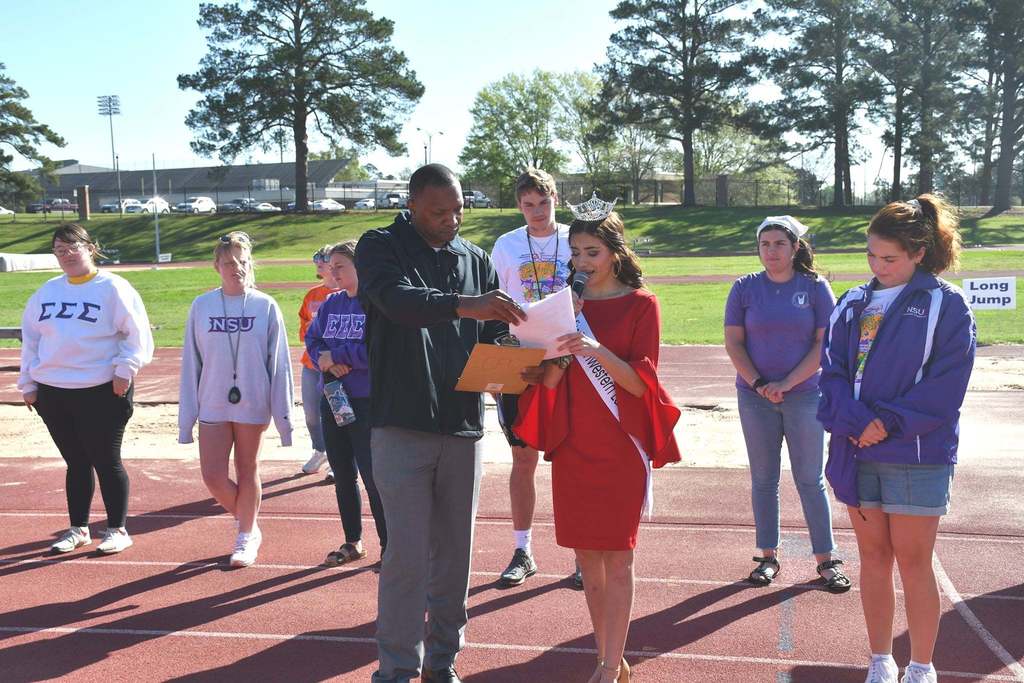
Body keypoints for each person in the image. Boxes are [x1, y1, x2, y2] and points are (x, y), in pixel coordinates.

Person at [356, 164, 532, 683]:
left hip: (462, 427)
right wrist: (465, 305)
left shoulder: (475, 259)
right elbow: (397, 303)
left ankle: (443, 663)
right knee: (407, 556)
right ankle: (394, 668)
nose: (452, 220)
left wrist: (526, 363)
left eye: (459, 210)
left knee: (456, 556)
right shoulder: (379, 246)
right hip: (400, 425)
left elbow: (495, 338)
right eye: (439, 212)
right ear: (411, 204)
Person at [515, 201, 682, 683]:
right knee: (587, 557)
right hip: (573, 443)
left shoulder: (641, 304)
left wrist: (594, 346)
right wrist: (529, 366)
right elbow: (549, 380)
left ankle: (610, 666)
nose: (582, 262)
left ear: (614, 252)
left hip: (619, 444)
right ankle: (607, 657)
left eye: (592, 252)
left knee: (618, 554)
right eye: (576, 253)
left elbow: (639, 385)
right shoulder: (564, 303)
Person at [818, 195, 975, 683]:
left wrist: (885, 422)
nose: (878, 266)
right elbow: (832, 374)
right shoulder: (852, 303)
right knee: (872, 558)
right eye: (871, 256)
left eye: (890, 258)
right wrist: (855, 422)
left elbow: (946, 386)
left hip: (916, 454)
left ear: (919, 253)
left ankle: (921, 666)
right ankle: (881, 660)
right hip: (856, 449)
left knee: (912, 561)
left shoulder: (946, 305)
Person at [723, 216, 850, 592]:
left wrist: (787, 383)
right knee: (764, 479)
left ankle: (827, 559)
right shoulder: (744, 288)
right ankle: (766, 556)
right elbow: (735, 343)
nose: (772, 251)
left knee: (810, 479)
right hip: (755, 396)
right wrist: (761, 384)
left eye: (780, 244)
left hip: (805, 394)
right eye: (765, 245)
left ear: (795, 248)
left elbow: (822, 345)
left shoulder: (814, 288)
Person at [19, 223, 154, 555]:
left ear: (90, 248)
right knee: (76, 462)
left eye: (72, 248)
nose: (66, 255)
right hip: (53, 391)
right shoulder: (46, 291)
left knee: (106, 461)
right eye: (59, 250)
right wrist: (28, 383)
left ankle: (117, 529)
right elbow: (31, 341)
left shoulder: (113, 288)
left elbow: (136, 336)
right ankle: (78, 528)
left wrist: (125, 371)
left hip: (101, 389)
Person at [178, 231, 294, 568]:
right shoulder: (202, 306)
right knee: (213, 476)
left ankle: (244, 536)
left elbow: (279, 363)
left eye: (242, 262)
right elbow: (191, 363)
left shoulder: (264, 305)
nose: (236, 268)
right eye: (229, 262)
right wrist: (187, 419)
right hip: (213, 401)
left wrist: (284, 419)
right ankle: (250, 523)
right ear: (216, 265)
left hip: (253, 403)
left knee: (248, 469)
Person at [489, 167, 576, 588]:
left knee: (574, 455)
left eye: (544, 203)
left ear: (555, 199)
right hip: (520, 358)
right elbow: (494, 303)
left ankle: (583, 552)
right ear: (519, 205)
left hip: (569, 358)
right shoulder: (505, 245)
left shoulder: (575, 239)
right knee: (523, 458)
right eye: (528, 205)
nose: (537, 213)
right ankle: (523, 550)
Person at [305, 240, 386, 567]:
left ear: (359, 266)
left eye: (340, 265)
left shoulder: (375, 304)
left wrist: (337, 356)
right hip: (334, 397)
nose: (333, 272)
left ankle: (389, 545)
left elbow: (377, 351)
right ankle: (353, 541)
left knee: (373, 476)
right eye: (330, 266)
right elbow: (313, 340)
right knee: (342, 473)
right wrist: (325, 361)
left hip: (367, 402)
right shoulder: (330, 303)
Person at [297, 245, 339, 479]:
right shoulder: (313, 295)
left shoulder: (346, 294)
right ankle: (320, 449)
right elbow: (303, 326)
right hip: (312, 363)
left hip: (337, 367)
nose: (319, 262)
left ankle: (338, 458)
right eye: (317, 258)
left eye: (324, 258)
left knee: (337, 413)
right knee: (312, 414)